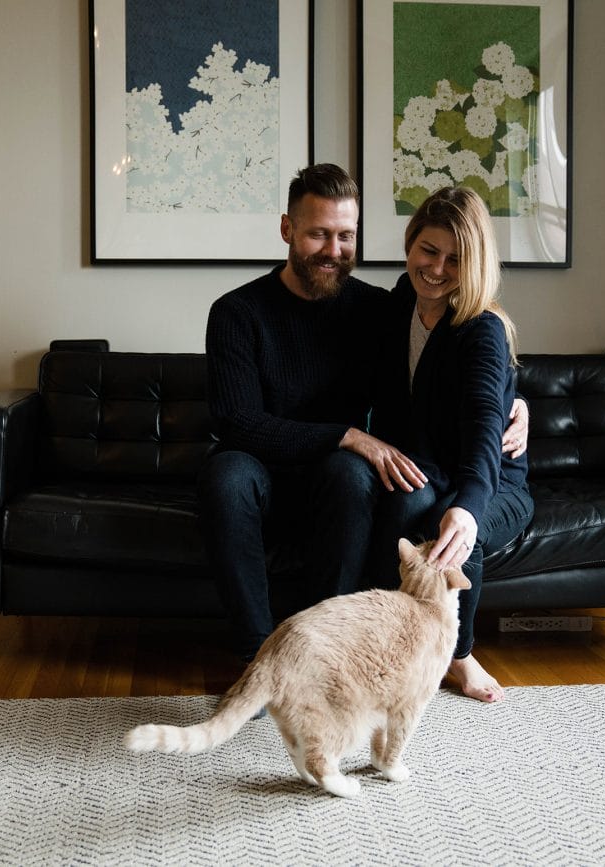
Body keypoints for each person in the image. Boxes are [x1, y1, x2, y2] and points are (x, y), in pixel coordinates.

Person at [198, 164, 528, 663]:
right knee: (225, 473)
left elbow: (475, 364)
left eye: (346, 236)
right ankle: (256, 655)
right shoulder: (236, 313)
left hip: (336, 478)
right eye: (318, 234)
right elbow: (235, 422)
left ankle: (319, 649)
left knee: (353, 473)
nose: (334, 250)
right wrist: (349, 434)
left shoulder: (378, 308)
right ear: (287, 229)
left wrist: (518, 402)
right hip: (261, 473)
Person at [368, 186, 534, 704]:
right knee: (407, 507)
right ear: (410, 244)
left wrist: (467, 508)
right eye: (429, 250)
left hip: (494, 481)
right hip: (432, 467)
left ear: (475, 262)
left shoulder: (482, 329)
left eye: (455, 259)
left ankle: (458, 656)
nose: (437, 268)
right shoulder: (399, 304)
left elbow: (487, 424)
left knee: (458, 530)